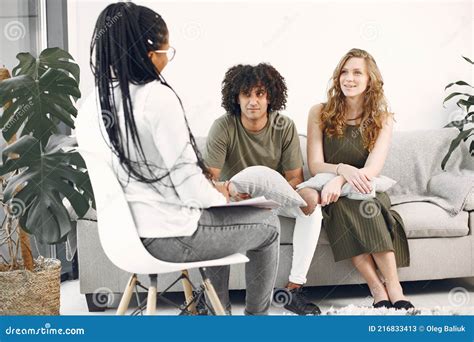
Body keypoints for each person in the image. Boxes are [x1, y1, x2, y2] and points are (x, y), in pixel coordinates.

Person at [76, 2, 280, 316]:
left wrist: (214, 194)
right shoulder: (155, 97)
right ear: (149, 54)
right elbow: (191, 191)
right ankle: (256, 322)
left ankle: (217, 312)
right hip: (169, 237)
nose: (165, 62)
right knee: (269, 223)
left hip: (121, 239)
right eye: (166, 53)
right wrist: (222, 197)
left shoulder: (91, 106)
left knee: (221, 215)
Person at [205, 63, 322, 315]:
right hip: (234, 200)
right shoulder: (223, 126)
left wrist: (268, 195)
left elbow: (294, 181)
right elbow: (209, 181)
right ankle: (212, 304)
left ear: (271, 96)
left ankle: (293, 289)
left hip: (272, 199)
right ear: (236, 97)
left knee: (313, 211)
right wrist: (232, 192)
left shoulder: (284, 126)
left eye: (260, 94)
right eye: (246, 94)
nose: (253, 101)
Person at [306, 48, 413, 310]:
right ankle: (377, 289)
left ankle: (395, 288)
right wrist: (342, 170)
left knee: (369, 207)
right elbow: (315, 164)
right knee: (342, 209)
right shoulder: (319, 112)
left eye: (357, 73)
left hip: (366, 188)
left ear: (370, 80)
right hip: (332, 193)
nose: (348, 78)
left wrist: (342, 180)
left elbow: (372, 168)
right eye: (344, 72)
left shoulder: (382, 119)